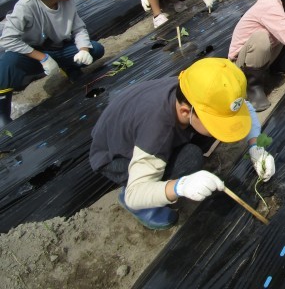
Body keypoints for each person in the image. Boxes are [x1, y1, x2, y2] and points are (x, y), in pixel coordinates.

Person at [89, 57, 275, 230]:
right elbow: (134, 194)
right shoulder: (158, 129)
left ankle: (168, 168)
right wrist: (181, 186)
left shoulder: (194, 91)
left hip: (141, 135)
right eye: (214, 121)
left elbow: (245, 108)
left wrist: (255, 147)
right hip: (116, 157)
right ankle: (145, 204)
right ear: (186, 112)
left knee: (208, 134)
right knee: (190, 158)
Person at [0, 0, 105, 127]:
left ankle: (69, 67)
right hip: (34, 54)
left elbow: (79, 29)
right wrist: (42, 58)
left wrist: (83, 50)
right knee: (6, 64)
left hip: (59, 49)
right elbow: (7, 39)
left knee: (96, 49)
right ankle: (2, 114)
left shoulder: (67, 1)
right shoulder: (26, 6)